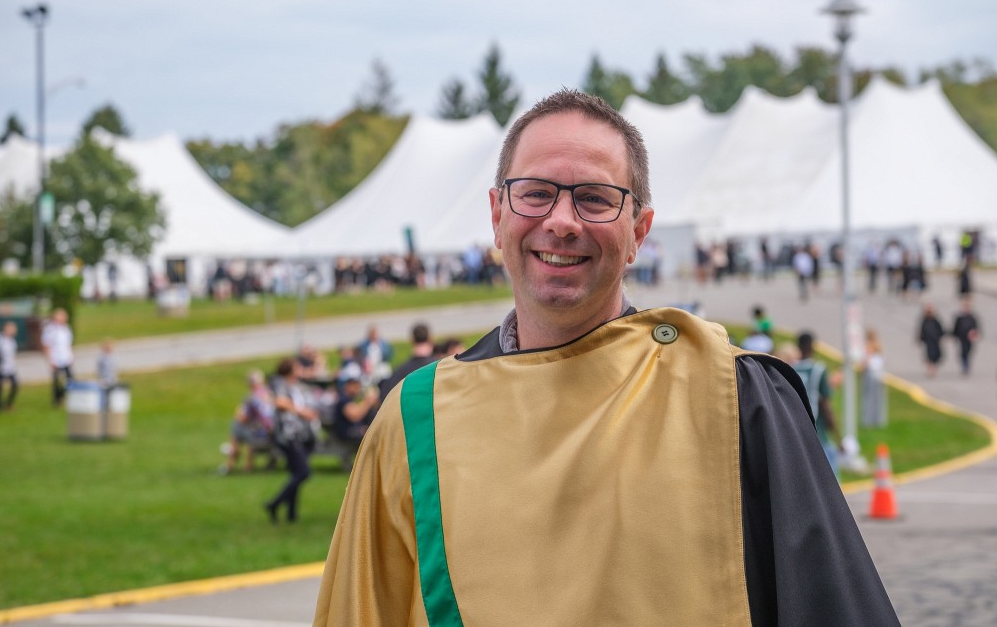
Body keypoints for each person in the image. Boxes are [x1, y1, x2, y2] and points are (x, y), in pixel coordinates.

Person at [313, 90, 897, 625]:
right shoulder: (414, 422)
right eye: (536, 193)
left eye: (595, 199)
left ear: (639, 231)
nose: (561, 222)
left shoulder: (735, 398)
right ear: (497, 214)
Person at [265, 358, 320, 523]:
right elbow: (280, 402)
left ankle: (291, 514)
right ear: (289, 369)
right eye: (297, 367)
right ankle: (274, 503)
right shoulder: (279, 383)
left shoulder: (294, 386)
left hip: (299, 435)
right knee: (304, 472)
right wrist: (302, 412)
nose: (300, 369)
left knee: (296, 472)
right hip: (287, 435)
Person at [792, 331, 843, 477]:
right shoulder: (818, 370)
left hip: (797, 434)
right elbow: (825, 406)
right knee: (830, 484)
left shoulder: (791, 369)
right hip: (819, 434)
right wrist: (838, 438)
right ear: (812, 346)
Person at [222, 370, 274, 474]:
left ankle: (233, 462)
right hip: (270, 429)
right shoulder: (269, 393)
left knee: (237, 427)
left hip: (262, 432)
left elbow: (244, 417)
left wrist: (239, 416)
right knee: (239, 427)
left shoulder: (253, 397)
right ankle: (235, 460)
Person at [376, 322, 434, 399]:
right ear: (430, 339)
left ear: (412, 340)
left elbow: (385, 395)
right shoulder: (440, 368)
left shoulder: (400, 371)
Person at [41, 307, 74, 406]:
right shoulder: (50, 329)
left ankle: (62, 395)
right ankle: (56, 400)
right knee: (56, 381)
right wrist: (50, 360)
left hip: (65, 358)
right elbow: (46, 346)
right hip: (55, 359)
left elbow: (68, 344)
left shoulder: (66, 328)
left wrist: (71, 356)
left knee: (70, 379)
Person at [860, 328, 888, 428]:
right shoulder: (879, 347)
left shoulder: (868, 347)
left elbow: (865, 362)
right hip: (879, 375)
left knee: (868, 398)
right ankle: (878, 420)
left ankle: (868, 420)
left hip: (870, 374)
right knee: (879, 399)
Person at [952, 297, 981, 376]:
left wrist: (975, 333)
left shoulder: (972, 317)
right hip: (962, 337)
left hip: (969, 338)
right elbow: (956, 328)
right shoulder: (959, 317)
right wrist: (954, 336)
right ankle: (964, 365)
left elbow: (976, 327)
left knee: (969, 351)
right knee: (963, 352)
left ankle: (966, 363)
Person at [918, 302, 946, 377]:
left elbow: (940, 330)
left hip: (935, 341)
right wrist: (920, 339)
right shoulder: (925, 320)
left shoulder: (935, 320)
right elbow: (921, 330)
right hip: (928, 341)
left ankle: (933, 368)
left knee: (936, 356)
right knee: (929, 356)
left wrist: (942, 337)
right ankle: (931, 369)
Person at [0, 321, 19, 411]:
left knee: (15, 385)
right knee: (1, 386)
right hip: (1, 366)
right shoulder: (0, 339)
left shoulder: (12, 340)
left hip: (10, 367)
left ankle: (9, 403)